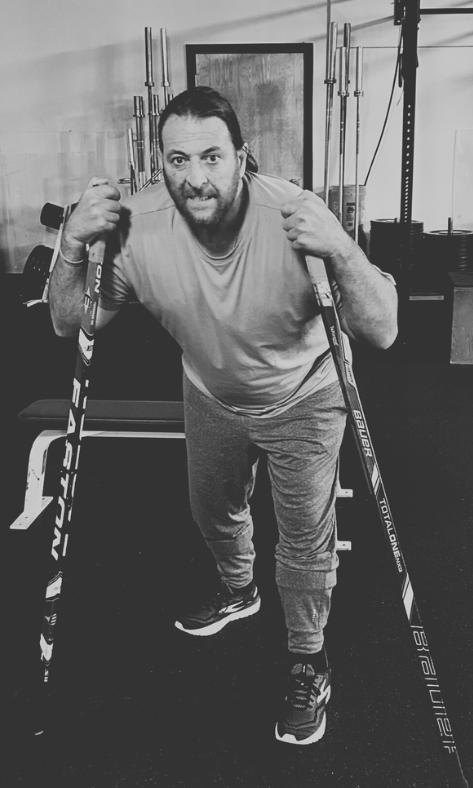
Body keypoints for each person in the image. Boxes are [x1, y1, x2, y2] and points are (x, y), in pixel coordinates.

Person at [49, 86, 397, 745]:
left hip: (304, 391)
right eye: (177, 160)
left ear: (243, 155)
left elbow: (383, 330)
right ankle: (239, 589)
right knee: (212, 509)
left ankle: (308, 659)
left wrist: (342, 248)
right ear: (160, 163)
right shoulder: (138, 226)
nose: (195, 177)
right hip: (210, 391)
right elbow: (71, 322)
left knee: (304, 539)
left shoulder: (291, 217)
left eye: (211, 156)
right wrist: (72, 243)